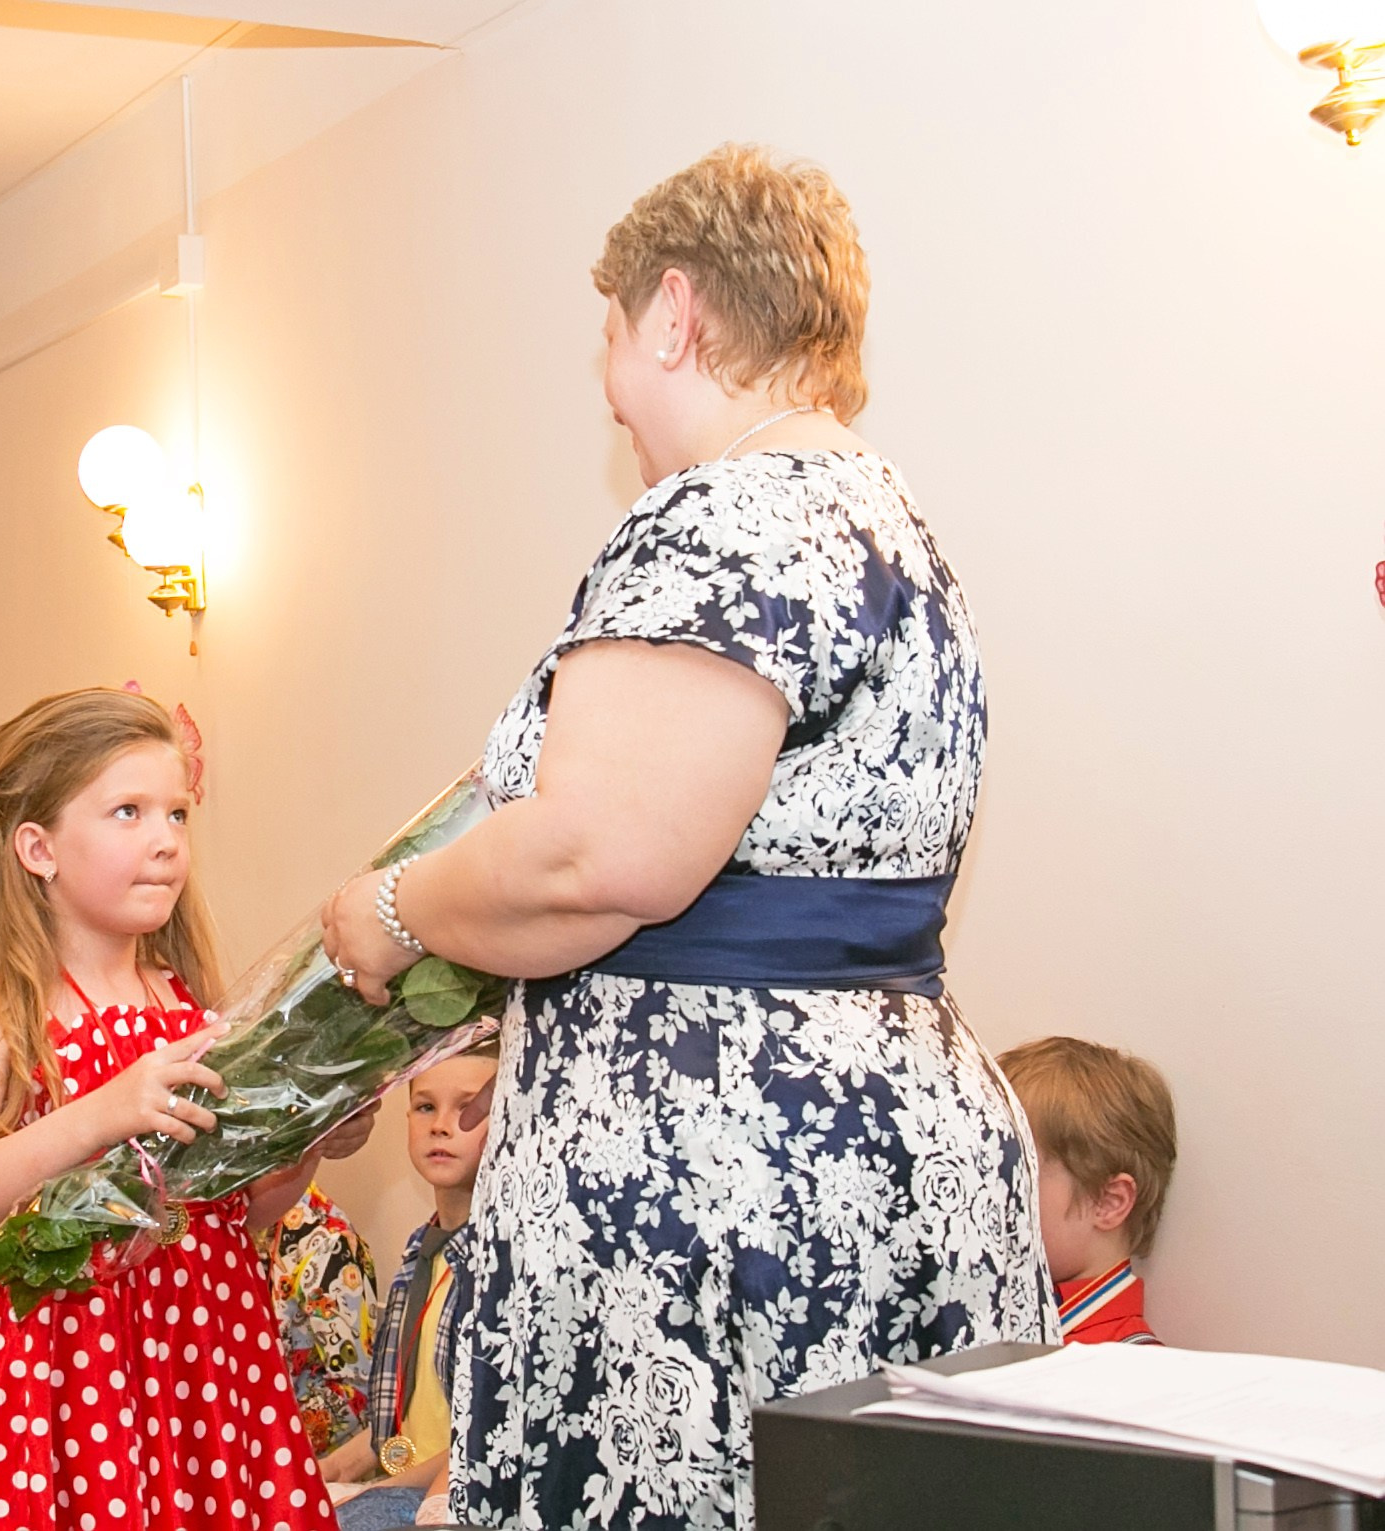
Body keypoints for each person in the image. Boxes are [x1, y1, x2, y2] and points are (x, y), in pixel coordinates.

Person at [322, 144, 1057, 1530]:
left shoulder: (719, 513)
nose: (605, 386)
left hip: (712, 1189)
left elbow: (595, 857)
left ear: (671, 314)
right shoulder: (883, 517)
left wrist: (396, 909)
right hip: (885, 1145)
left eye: (605, 338)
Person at [0, 687, 376, 1531]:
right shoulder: (4, 1012)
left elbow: (232, 1214)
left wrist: (302, 1145)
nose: (164, 840)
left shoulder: (190, 1007)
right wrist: (98, 1113)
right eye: (128, 811)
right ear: (37, 847)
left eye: (177, 814)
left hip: (212, 1361)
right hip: (75, 1376)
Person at [323, 1045, 495, 1531]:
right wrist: (327, 1473)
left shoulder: (502, 1266)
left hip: (458, 1502)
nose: (441, 1125)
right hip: (400, 1486)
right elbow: (396, 1424)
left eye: (467, 1109)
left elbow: (479, 1437)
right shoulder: (421, 1249)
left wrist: (375, 1494)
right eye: (425, 1106)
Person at [998, 1037, 1177, 1345]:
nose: (989, 1195)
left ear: (1108, 1203)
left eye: (1015, 1174)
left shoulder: (1138, 1368)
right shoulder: (1001, 1320)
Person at [262, 1182, 378, 1459]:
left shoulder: (326, 1241)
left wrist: (260, 1449)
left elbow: (354, 1393)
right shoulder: (232, 1223)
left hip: (307, 1470)